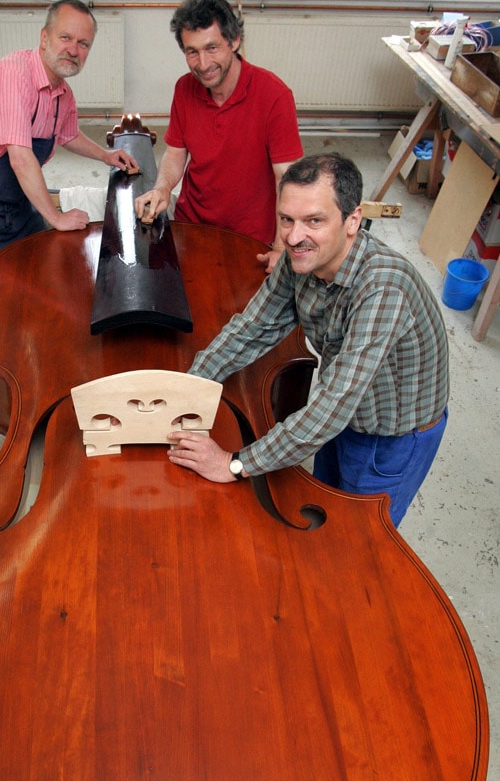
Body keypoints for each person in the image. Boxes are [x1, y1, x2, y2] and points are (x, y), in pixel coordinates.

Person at [167, 153, 450, 528]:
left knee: (357, 538)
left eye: (314, 220)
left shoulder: (384, 287)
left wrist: (233, 463)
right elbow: (251, 327)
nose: (294, 236)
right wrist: (190, 384)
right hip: (345, 414)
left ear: (353, 220)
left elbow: (331, 407)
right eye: (287, 219)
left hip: (392, 437)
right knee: (322, 510)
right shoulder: (301, 257)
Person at [0, 0, 139, 382]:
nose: (73, 50)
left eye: (83, 44)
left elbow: (68, 134)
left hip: (15, 198)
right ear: (44, 37)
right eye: (65, 37)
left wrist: (106, 156)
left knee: (31, 270)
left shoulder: (62, 93)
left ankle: (19, 339)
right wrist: (55, 216)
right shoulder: (13, 74)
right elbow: (20, 156)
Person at [133, 0, 302, 272]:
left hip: (249, 239)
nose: (203, 64)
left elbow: (286, 180)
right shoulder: (184, 88)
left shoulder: (274, 96)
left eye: (212, 48)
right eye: (192, 52)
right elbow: (175, 154)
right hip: (191, 228)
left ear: (234, 40)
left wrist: (280, 247)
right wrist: (162, 188)